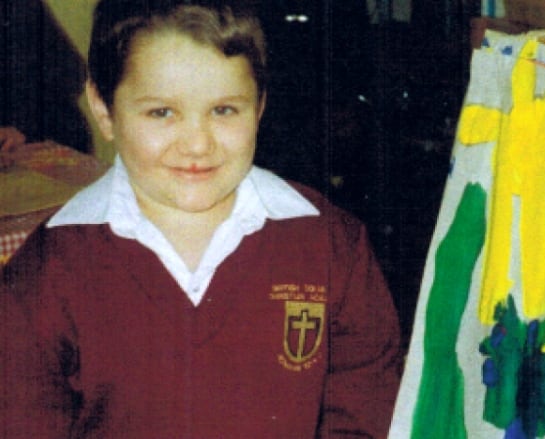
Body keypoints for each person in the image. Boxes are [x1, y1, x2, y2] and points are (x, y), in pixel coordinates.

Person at [0, 1, 402, 437]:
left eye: (224, 110)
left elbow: (366, 415)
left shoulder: (332, 245)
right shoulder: (44, 273)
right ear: (104, 109)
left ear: (260, 104)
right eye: (161, 112)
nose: (197, 144)